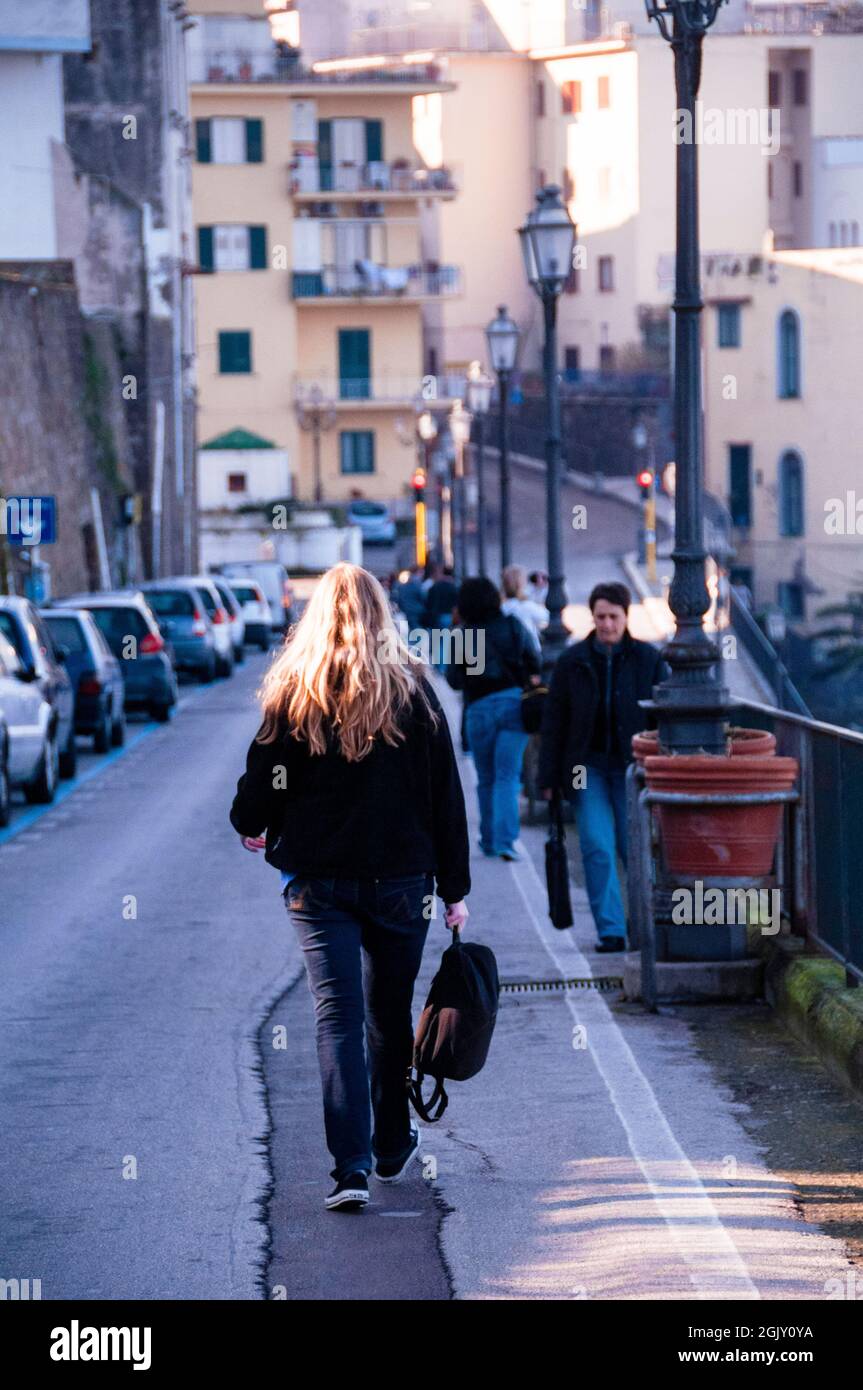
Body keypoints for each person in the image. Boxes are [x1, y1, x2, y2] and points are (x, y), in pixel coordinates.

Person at [229, 563, 470, 1212]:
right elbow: (443, 796)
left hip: (317, 884)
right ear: (381, 612)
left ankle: (350, 1171)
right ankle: (392, 1142)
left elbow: (264, 782)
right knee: (388, 1017)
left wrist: (253, 825)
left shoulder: (295, 690)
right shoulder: (414, 689)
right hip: (401, 881)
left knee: (336, 1019)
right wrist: (454, 888)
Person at [537, 581, 669, 953]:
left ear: (627, 617)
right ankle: (611, 930)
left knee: (635, 848)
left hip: (632, 767)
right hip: (585, 766)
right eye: (600, 617)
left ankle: (642, 925)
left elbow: (664, 717)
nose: (607, 624)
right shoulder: (572, 661)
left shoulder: (649, 659)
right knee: (596, 844)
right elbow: (554, 721)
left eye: (614, 617)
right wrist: (548, 778)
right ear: (592, 618)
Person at [445, 576, 541, 862]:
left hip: (478, 709)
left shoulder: (462, 635)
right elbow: (533, 659)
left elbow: (453, 681)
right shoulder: (513, 624)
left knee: (485, 778)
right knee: (508, 776)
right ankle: (506, 842)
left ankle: (487, 839)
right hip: (513, 705)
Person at [500, 563, 549, 655]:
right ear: (521, 584)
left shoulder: (501, 607)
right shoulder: (526, 607)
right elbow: (550, 616)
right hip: (529, 655)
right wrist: (545, 588)